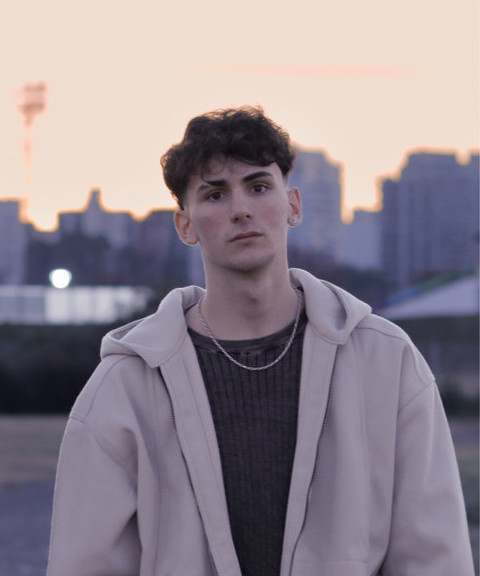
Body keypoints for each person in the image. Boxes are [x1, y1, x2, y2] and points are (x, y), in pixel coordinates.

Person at [46, 106, 474, 576]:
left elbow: (435, 557)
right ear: (185, 226)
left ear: (293, 205)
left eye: (258, 187)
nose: (241, 209)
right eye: (215, 194)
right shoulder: (125, 387)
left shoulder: (386, 361)